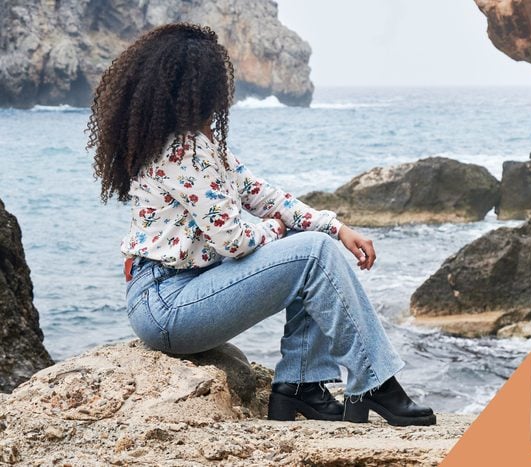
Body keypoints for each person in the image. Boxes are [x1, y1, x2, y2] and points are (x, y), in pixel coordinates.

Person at [85, 22, 435, 427]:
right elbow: (233, 240)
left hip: (171, 295)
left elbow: (261, 194)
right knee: (310, 254)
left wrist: (334, 227)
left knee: (311, 247)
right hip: (168, 305)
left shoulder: (192, 145)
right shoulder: (185, 150)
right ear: (206, 88)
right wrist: (280, 232)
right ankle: (376, 383)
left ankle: (300, 386)